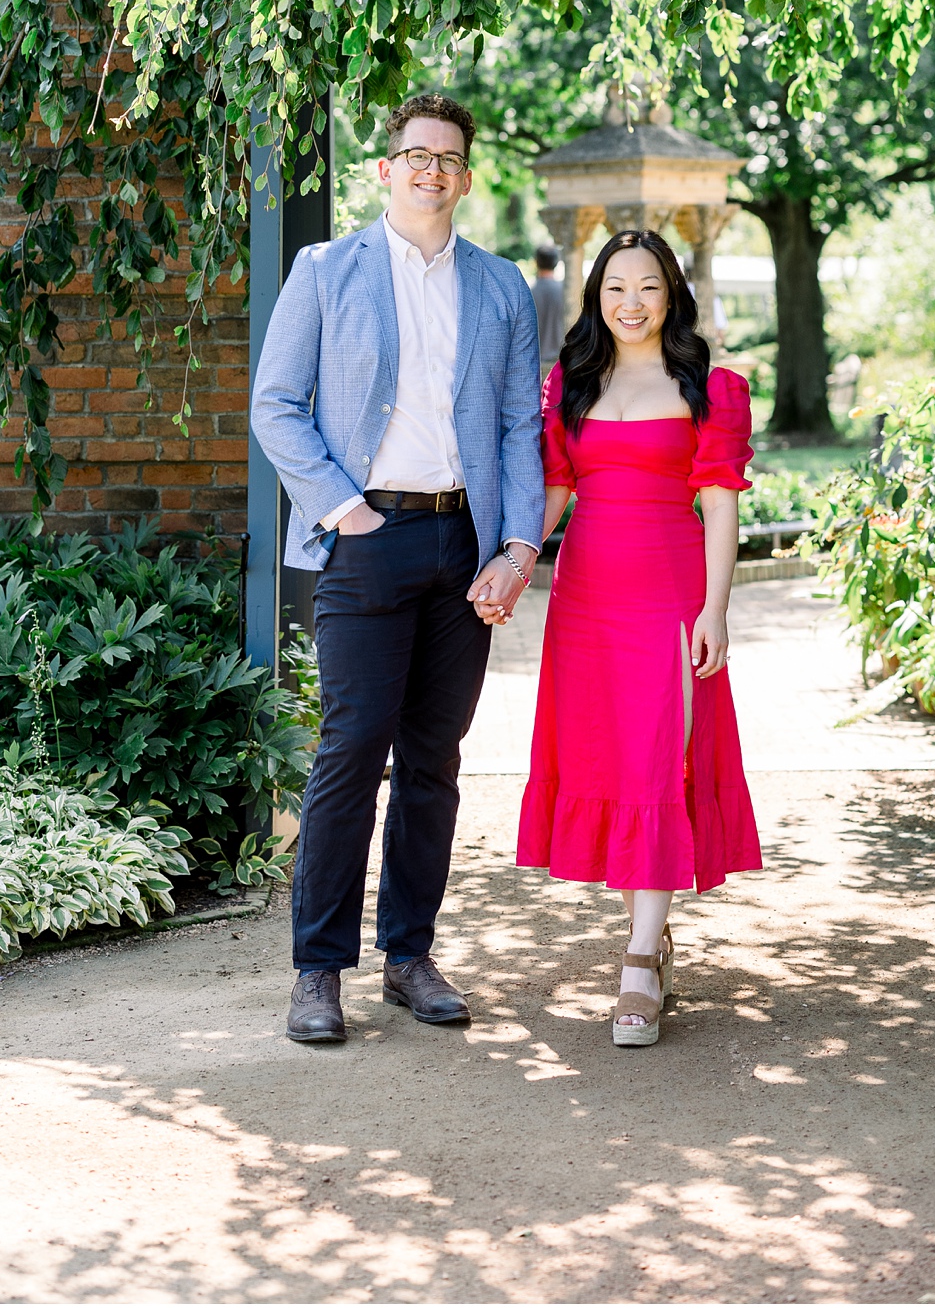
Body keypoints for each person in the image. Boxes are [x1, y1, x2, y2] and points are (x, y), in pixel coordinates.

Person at [251, 93, 544, 1045]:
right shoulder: (326, 270)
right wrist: (344, 508)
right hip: (366, 537)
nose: (431, 171)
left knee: (434, 761)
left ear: (465, 176)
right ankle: (318, 968)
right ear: (387, 169)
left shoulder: (502, 288)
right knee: (349, 752)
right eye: (415, 154)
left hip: (465, 545)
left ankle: (409, 954)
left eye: (448, 158)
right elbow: (276, 403)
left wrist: (518, 546)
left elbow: (516, 428)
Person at [513, 229, 762, 1046]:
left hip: (670, 590)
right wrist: (510, 569)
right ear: (594, 297)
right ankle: (651, 943)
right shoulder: (569, 385)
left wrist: (715, 609)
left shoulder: (711, 387)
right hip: (586, 596)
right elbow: (554, 491)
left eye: (647, 286)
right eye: (614, 286)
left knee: (660, 758)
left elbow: (720, 502)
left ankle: (634, 961)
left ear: (671, 294)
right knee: (616, 762)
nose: (630, 302)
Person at [531, 243, 565, 373]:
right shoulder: (566, 293)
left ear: (536, 262)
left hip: (536, 364)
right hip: (561, 363)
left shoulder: (528, 292)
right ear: (556, 262)